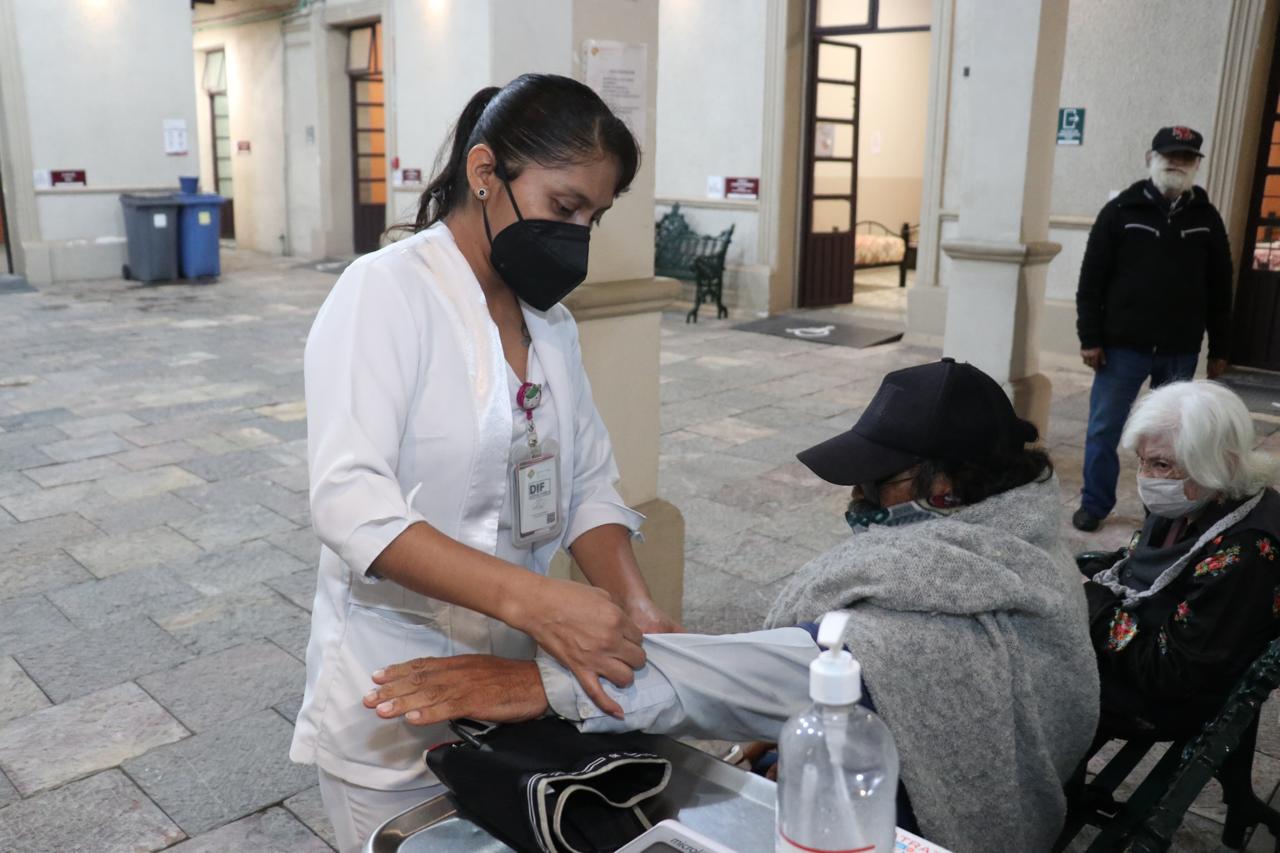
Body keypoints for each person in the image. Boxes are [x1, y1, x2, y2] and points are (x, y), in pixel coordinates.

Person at [364, 359, 1101, 852]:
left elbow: (801, 667)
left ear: (946, 487)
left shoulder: (954, 607)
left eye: (882, 479)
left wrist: (551, 683)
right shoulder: (1023, 539)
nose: (860, 498)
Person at [288, 73, 679, 852]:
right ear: (484, 172)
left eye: (592, 218)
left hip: (512, 689)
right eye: (564, 207)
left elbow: (590, 488)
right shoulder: (386, 293)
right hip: (392, 697)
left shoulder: (553, 324)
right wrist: (537, 603)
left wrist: (633, 604)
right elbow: (349, 503)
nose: (577, 234)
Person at [1082, 381, 1280, 738]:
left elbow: (1170, 673)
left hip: (1181, 700)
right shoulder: (1193, 496)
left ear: (1220, 462)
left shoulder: (1245, 551)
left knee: (1032, 677)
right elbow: (1142, 562)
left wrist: (1092, 605)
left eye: (1160, 464)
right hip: (1151, 647)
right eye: (1142, 461)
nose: (1146, 478)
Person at [1073, 125, 1235, 533]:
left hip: (1180, 347)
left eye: (1186, 157)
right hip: (1122, 347)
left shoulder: (1206, 217)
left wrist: (1220, 346)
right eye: (1170, 156)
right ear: (1152, 159)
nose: (1177, 163)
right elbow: (1091, 278)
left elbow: (1220, 286)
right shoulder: (1121, 212)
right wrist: (1089, 337)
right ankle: (1094, 503)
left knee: (1175, 439)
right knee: (1105, 429)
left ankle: (1164, 511)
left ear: (1196, 165)